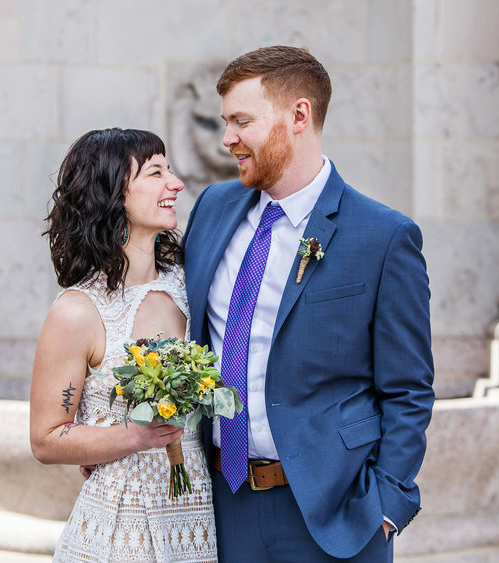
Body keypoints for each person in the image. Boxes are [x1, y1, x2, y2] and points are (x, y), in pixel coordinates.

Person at [182, 46, 435, 561]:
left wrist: (386, 508)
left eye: (241, 121)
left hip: (335, 519)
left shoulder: (383, 237)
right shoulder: (211, 208)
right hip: (221, 510)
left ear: (299, 115)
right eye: (225, 121)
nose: (226, 138)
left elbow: (409, 388)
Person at [30, 128, 217, 562]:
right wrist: (131, 436)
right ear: (114, 192)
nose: (176, 183)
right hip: (120, 528)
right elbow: (46, 439)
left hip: (198, 520)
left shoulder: (194, 284)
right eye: (156, 173)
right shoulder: (78, 312)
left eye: (169, 170)